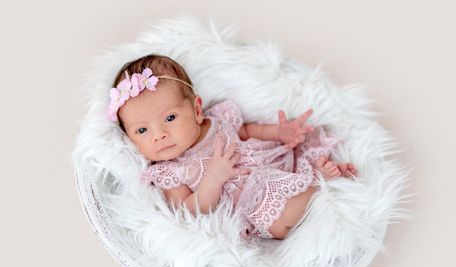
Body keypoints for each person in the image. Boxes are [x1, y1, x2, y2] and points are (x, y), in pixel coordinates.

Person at [106, 54, 358, 240]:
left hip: (272, 163)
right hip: (252, 199)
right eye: (142, 130)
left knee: (307, 146)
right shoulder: (170, 172)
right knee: (278, 216)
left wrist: (279, 133)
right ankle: (318, 186)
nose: (159, 135)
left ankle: (319, 181)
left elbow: (247, 131)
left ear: (196, 110)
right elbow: (188, 211)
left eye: (170, 118)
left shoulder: (216, 120)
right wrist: (212, 180)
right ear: (130, 138)